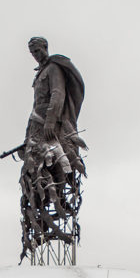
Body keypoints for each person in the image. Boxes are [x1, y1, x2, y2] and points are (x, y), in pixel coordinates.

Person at [23, 36, 87, 175]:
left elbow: (57, 94)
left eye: (37, 51)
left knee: (57, 164)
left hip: (51, 123)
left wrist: (50, 122)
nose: (35, 55)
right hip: (37, 123)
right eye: (32, 52)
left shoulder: (53, 68)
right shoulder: (39, 73)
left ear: (45, 48)